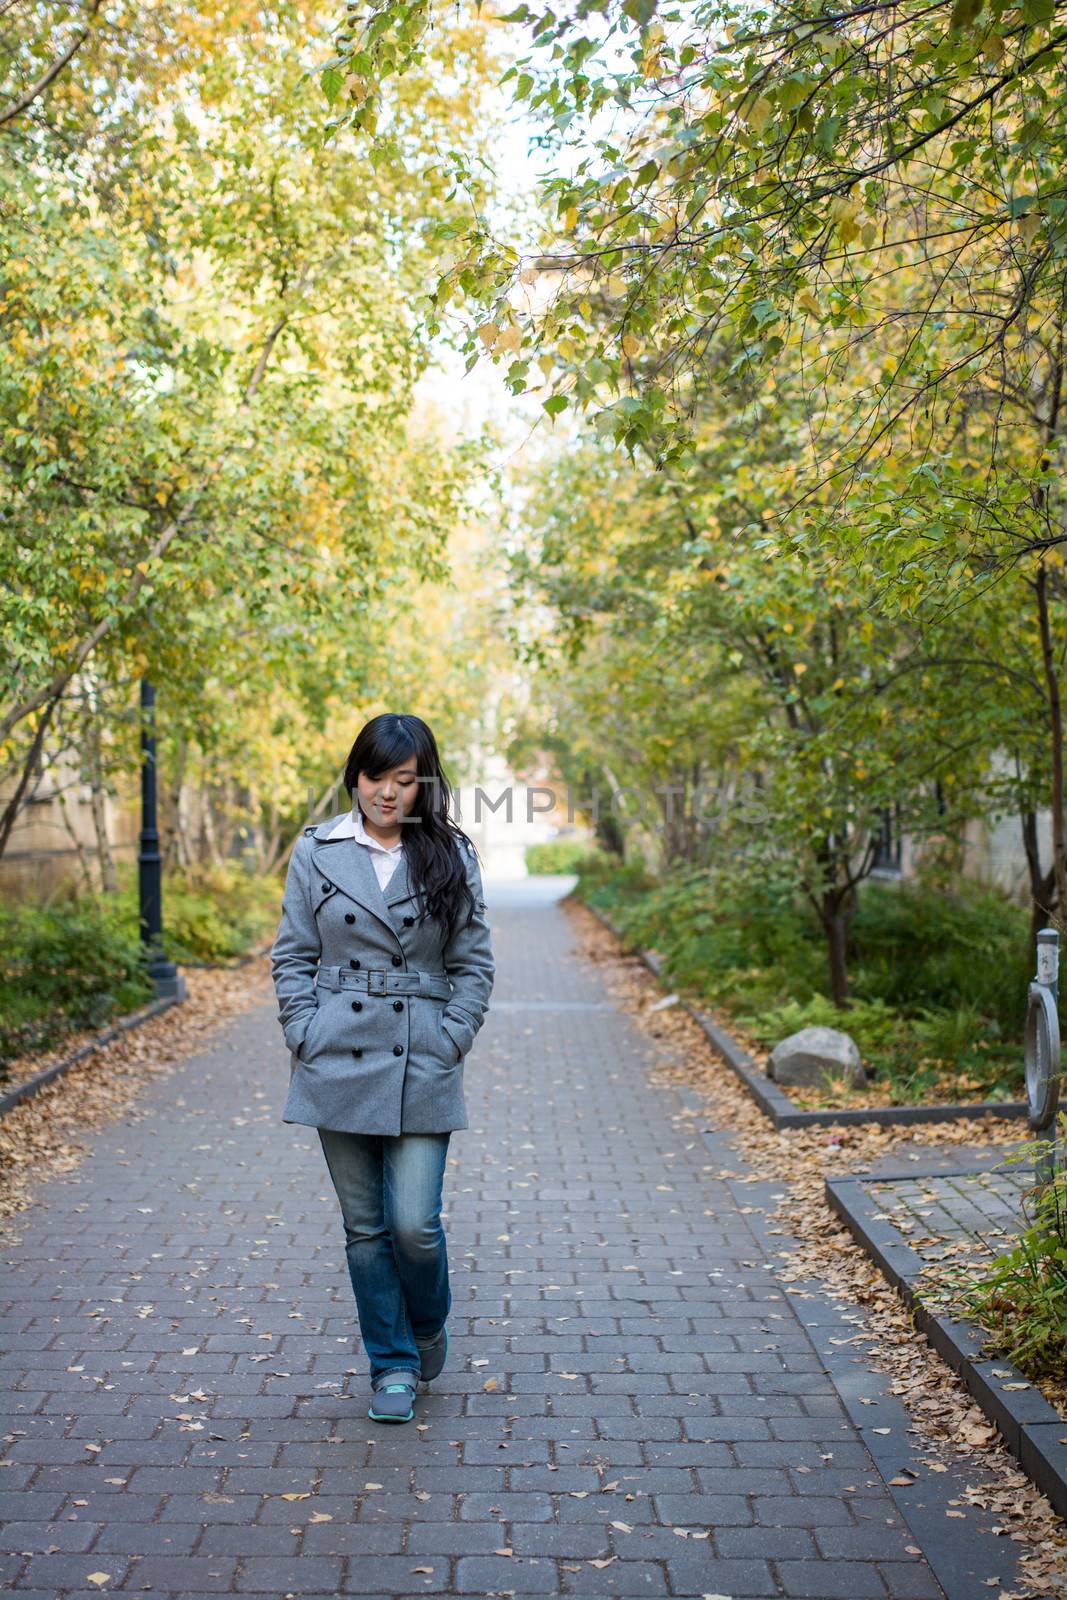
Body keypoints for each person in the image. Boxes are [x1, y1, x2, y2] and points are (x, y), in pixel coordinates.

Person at [270, 712, 495, 1423]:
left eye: (403, 780)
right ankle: (391, 1364)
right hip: (334, 1054)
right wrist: (303, 1030)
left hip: (421, 1054)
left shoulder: (449, 854)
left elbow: (473, 963)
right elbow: (292, 954)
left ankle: (427, 1322)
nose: (386, 794)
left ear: (423, 783)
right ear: (355, 777)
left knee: (413, 1224)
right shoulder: (317, 850)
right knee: (365, 1227)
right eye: (374, 777)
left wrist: (449, 1036)